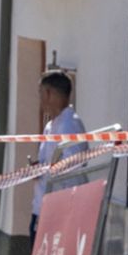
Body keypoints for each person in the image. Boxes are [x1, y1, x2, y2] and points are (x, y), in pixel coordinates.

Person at [27, 71, 88, 241]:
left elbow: (71, 167)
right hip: (42, 208)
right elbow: (51, 162)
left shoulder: (69, 125)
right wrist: (39, 167)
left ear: (48, 94)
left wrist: (47, 169)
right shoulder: (51, 125)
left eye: (40, 94)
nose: (39, 100)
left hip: (59, 211)